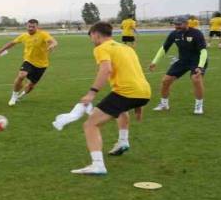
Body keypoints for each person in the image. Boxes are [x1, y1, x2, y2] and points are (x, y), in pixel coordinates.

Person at [52, 22, 152, 176]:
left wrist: (91, 93)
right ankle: (123, 141)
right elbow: (135, 73)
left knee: (90, 124)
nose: (92, 40)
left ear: (96, 34)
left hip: (126, 92)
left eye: (91, 36)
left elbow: (106, 70)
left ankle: (97, 165)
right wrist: (139, 105)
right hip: (144, 92)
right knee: (121, 109)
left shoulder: (101, 48)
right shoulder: (127, 48)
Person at [149, 16, 208, 115]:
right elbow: (164, 48)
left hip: (197, 61)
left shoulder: (196, 33)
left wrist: (200, 66)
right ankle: (164, 104)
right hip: (182, 60)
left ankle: (199, 106)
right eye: (175, 24)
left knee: (196, 79)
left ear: (186, 23)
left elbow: (203, 51)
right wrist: (154, 61)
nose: (177, 26)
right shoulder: (174, 34)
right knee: (166, 80)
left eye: (179, 24)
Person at [0, 19, 58, 106]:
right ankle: (14, 96)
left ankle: (21, 96)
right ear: (27, 26)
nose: (30, 28)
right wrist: (0, 51)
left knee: (31, 85)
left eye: (33, 27)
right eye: (29, 26)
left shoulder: (43, 34)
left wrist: (52, 45)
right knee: (21, 75)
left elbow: (53, 42)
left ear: (37, 27)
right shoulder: (24, 36)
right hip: (28, 61)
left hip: (42, 65)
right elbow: (12, 43)